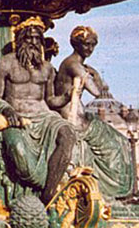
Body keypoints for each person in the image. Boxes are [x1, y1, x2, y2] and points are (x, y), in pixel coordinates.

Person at [0, 17, 75, 204]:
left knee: (68, 135)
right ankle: (42, 184)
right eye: (29, 38)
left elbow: (49, 99)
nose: (33, 43)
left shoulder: (48, 69)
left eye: (37, 39)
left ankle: (49, 194)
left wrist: (67, 97)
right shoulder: (4, 64)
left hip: (44, 117)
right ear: (20, 41)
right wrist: (7, 111)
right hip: (16, 118)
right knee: (18, 151)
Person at [55, 25, 134, 199]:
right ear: (76, 44)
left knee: (120, 141)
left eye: (93, 45)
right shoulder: (74, 65)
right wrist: (96, 75)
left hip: (79, 114)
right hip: (73, 117)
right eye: (86, 44)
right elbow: (96, 91)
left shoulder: (73, 63)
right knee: (116, 145)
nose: (90, 49)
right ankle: (113, 189)